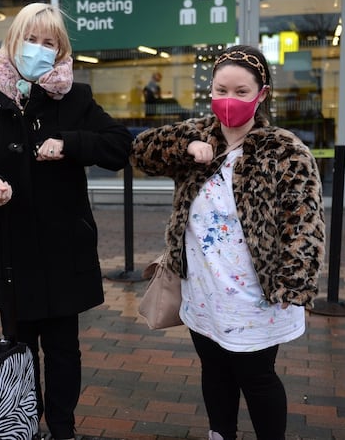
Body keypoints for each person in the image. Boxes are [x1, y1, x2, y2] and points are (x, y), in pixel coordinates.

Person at [0, 2, 132, 440]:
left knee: (65, 351)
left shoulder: (76, 98)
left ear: (61, 51)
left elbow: (119, 146)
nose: (38, 49)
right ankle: (21, 424)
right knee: (19, 350)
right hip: (10, 250)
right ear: (13, 40)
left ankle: (63, 428)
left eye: (49, 42)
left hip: (65, 250)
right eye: (31, 39)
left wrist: (68, 143)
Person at [130, 44, 326, 440]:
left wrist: (295, 281)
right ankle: (221, 433)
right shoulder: (198, 133)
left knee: (256, 376)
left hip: (257, 293)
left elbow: (304, 222)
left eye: (241, 91)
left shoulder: (284, 150)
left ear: (262, 94)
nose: (229, 100)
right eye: (221, 90)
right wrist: (183, 147)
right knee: (214, 369)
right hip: (203, 287)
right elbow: (141, 152)